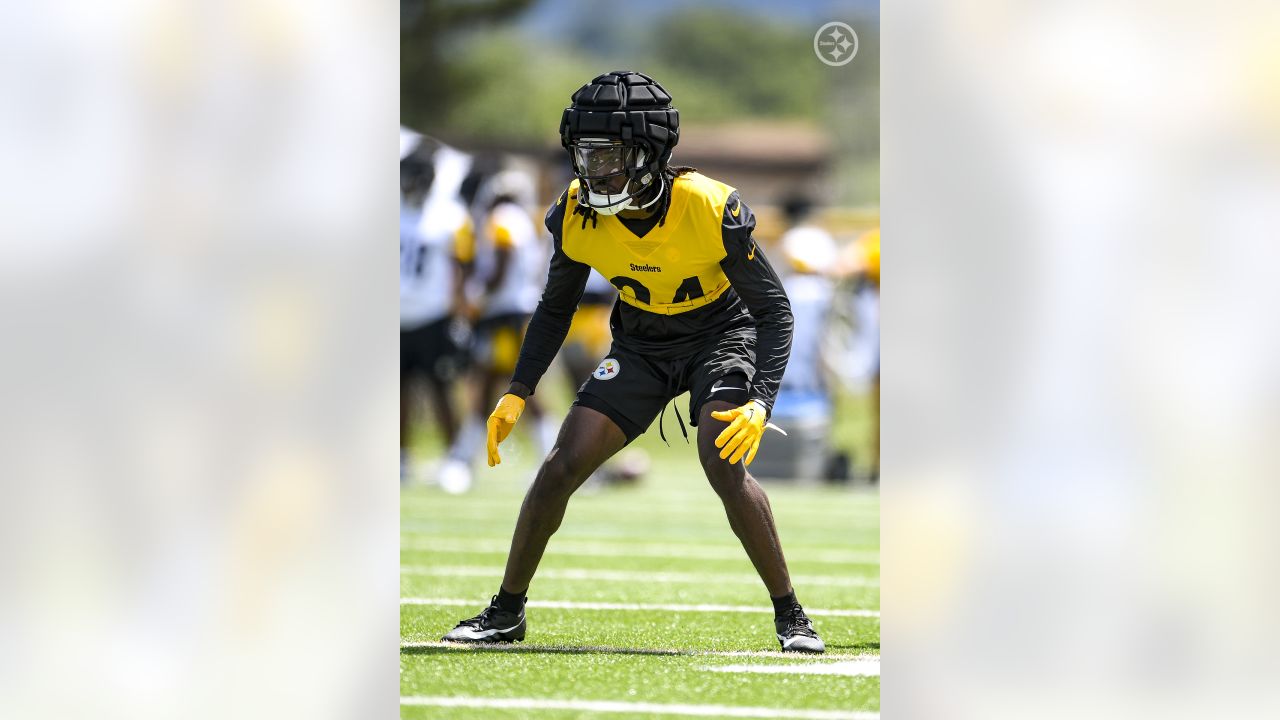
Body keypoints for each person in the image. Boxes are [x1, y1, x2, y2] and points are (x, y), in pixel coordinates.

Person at [441, 70, 824, 653]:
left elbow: (774, 310)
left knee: (722, 463)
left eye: (608, 157)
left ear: (648, 155)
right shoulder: (575, 213)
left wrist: (760, 398)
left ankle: (790, 614)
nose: (591, 172)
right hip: (642, 343)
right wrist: (518, 390)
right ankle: (506, 612)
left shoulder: (709, 206)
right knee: (562, 464)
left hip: (719, 333)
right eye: (584, 156)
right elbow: (554, 308)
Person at [437, 170, 558, 494]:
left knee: (512, 390)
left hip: (507, 315)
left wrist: (476, 297)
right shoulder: (521, 219)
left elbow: (501, 267)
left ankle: (463, 460)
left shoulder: (504, 219)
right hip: (515, 312)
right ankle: (463, 459)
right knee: (504, 389)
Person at [400, 144, 470, 485]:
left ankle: (455, 458)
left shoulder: (448, 215)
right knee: (397, 391)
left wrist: (460, 312)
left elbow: (460, 268)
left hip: (432, 313)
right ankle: (400, 458)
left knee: (441, 388)